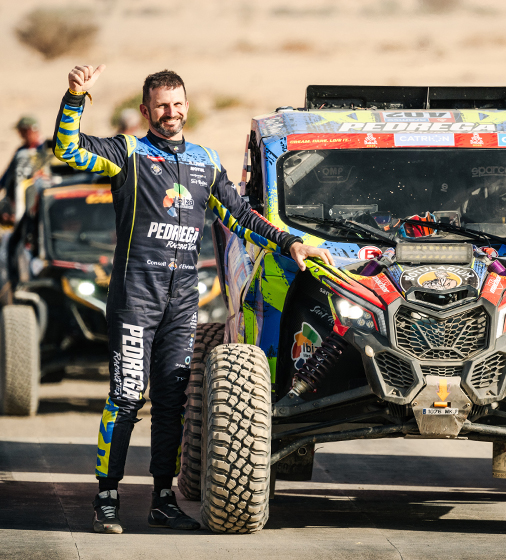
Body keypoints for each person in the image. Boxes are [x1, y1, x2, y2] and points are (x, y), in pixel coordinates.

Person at [53, 64, 333, 534]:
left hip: (182, 301)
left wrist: (289, 244)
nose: (171, 112)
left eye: (178, 103)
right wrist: (75, 97)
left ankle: (163, 497)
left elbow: (241, 216)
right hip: (134, 299)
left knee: (170, 401)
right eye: (161, 105)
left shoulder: (205, 160)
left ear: (187, 105)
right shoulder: (128, 154)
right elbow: (68, 149)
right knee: (125, 397)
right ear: (145, 110)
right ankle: (106, 496)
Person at [0, 115, 53, 223]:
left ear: (29, 130)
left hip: (42, 203)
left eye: (22, 132)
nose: (20, 135)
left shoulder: (47, 149)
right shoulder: (20, 151)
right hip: (17, 206)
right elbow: (7, 178)